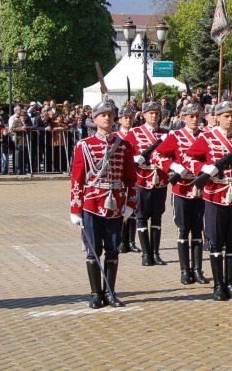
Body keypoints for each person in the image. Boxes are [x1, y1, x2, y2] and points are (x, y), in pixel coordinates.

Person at [185, 101, 232, 300]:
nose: (230, 118)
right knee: (216, 241)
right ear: (216, 117)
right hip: (216, 192)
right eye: (226, 115)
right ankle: (218, 285)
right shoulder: (207, 138)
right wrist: (203, 169)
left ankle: (231, 284)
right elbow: (188, 158)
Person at [69, 97, 137, 308]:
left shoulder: (124, 146)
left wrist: (131, 204)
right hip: (91, 203)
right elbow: (77, 179)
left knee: (113, 249)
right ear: (95, 119)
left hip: (115, 204)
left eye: (110, 115)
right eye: (103, 115)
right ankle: (96, 293)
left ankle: (110, 292)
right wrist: (75, 208)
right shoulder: (85, 146)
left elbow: (130, 178)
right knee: (93, 250)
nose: (107, 118)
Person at [152, 103, 210, 285]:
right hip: (183, 189)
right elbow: (157, 155)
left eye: (197, 116)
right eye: (191, 116)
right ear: (183, 118)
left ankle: (198, 270)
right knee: (184, 229)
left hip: (202, 189)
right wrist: (173, 166)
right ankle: (185, 270)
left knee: (199, 230)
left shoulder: (207, 136)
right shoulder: (176, 136)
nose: (195, 119)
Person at [124, 101, 169, 266]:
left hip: (160, 178)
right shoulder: (135, 133)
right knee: (142, 215)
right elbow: (125, 153)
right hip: (142, 178)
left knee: (157, 216)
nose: (154, 116)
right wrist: (134, 158)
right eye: (150, 113)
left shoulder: (165, 133)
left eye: (156, 113)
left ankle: (156, 252)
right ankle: (146, 253)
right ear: (143, 115)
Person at [114, 106, 141, 254]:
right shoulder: (115, 136)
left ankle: (131, 241)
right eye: (125, 117)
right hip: (119, 177)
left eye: (130, 117)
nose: (128, 120)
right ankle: (120, 241)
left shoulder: (137, 135)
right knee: (119, 208)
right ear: (119, 120)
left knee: (133, 209)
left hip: (134, 176)